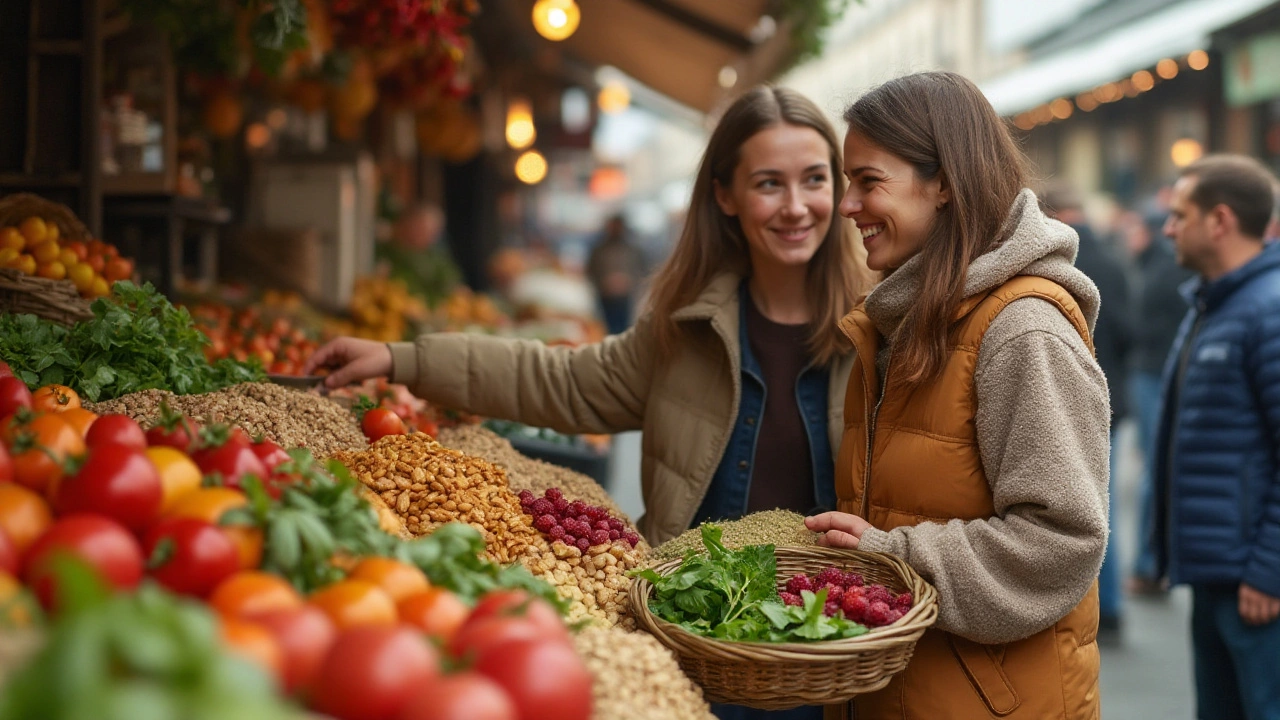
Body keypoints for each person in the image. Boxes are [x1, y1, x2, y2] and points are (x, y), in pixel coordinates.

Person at [306, 85, 871, 720]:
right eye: (769, 183)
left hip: (831, 656)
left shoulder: (884, 326)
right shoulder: (684, 327)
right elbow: (562, 381)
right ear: (725, 195)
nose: (796, 207)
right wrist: (402, 359)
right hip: (689, 645)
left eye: (814, 179)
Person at [804, 71, 1109, 718]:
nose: (847, 206)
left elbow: (1060, 542)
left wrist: (888, 559)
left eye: (868, 181)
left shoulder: (1022, 329)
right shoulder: (900, 318)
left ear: (943, 182)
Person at [1151, 154, 1280, 720]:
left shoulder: (1267, 310)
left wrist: (1271, 570)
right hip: (1217, 573)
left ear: (1220, 221)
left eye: (1180, 214)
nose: (1168, 228)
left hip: (1254, 586)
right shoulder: (1214, 302)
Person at [1040, 182, 1131, 643]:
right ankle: (1109, 611)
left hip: (1068, 394)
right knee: (1100, 507)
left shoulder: (1051, 264)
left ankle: (1093, 608)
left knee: (1077, 513)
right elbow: (1127, 328)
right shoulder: (1112, 259)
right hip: (1107, 393)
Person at [1120, 207, 1193, 596]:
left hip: (1153, 372)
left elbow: (1140, 324)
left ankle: (1150, 562)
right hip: (1152, 370)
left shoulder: (1163, 271)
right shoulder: (1153, 266)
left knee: (1154, 465)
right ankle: (1154, 561)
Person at [586, 213, 646, 334]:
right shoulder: (598, 250)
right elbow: (590, 271)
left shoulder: (633, 249)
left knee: (625, 329)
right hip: (605, 296)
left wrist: (627, 282)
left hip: (626, 297)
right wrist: (604, 283)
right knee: (607, 328)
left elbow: (642, 270)